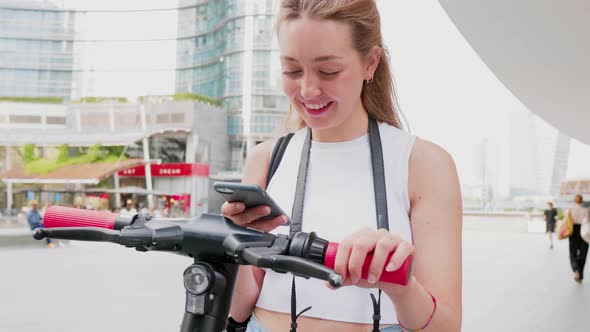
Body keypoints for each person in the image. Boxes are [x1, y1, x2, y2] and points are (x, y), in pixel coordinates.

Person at [221, 1, 462, 331]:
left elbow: (446, 326)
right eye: (292, 70)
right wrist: (233, 245)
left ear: (370, 63)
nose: (307, 89)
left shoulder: (423, 164)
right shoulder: (267, 159)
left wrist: (401, 286)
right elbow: (239, 308)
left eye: (328, 71)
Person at [567, 194, 589, 283]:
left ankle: (576, 271)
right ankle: (581, 274)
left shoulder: (570, 210)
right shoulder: (586, 210)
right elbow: (587, 221)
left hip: (573, 232)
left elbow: (567, 221)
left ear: (574, 201)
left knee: (572, 253)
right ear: (582, 201)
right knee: (583, 254)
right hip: (584, 232)